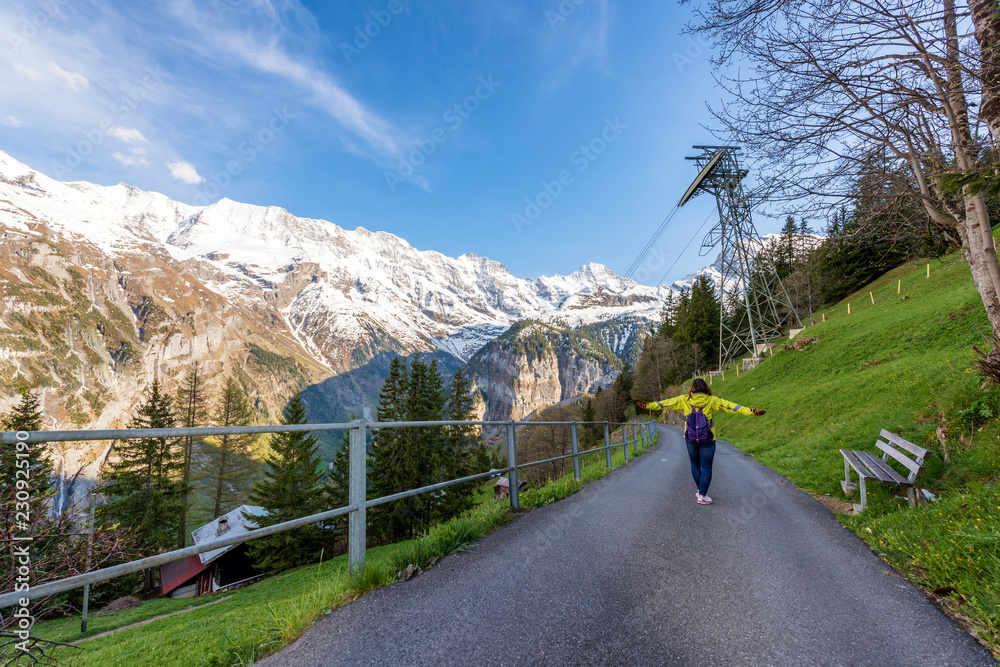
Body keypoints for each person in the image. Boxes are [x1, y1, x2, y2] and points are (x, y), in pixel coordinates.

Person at [638, 378, 765, 505]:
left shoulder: (684, 399)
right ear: (706, 389)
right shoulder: (712, 400)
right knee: (706, 467)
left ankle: (700, 491)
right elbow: (731, 406)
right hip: (708, 438)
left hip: (690, 438)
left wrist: (648, 405)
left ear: (691, 389)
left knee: (694, 464)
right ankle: (702, 495)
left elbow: (665, 404)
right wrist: (750, 412)